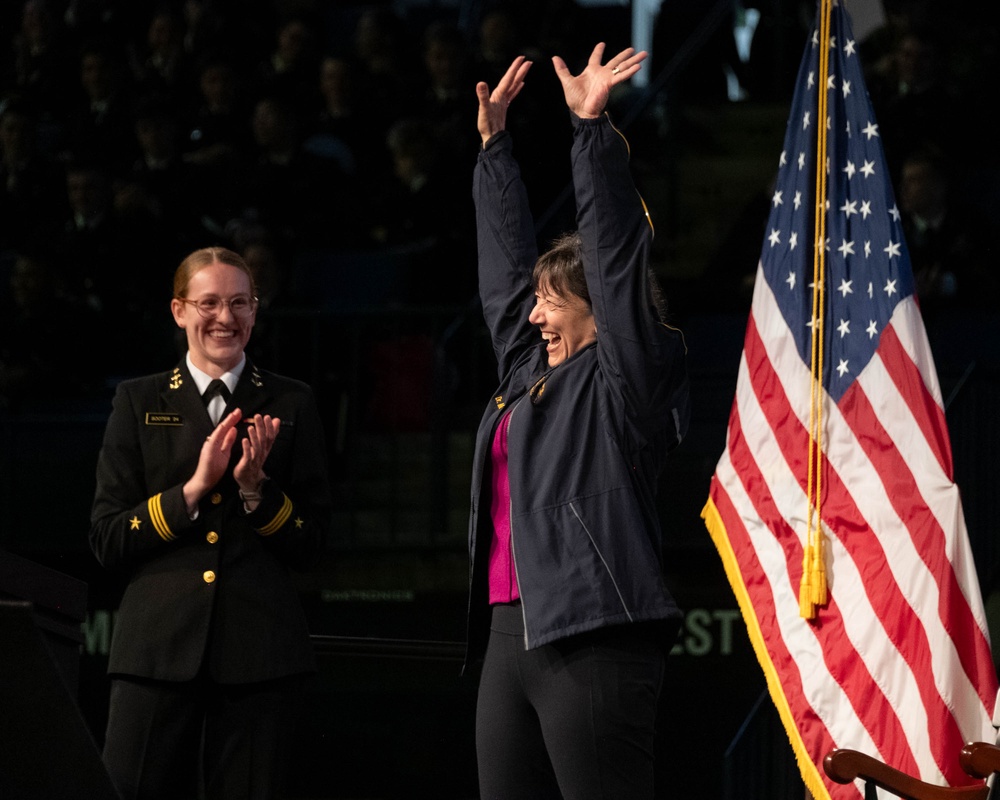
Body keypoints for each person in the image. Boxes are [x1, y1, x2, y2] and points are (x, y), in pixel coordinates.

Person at [465, 46, 691, 799]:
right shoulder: (528, 375)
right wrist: (495, 150)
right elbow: (502, 284)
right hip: (506, 636)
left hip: (594, 632)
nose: (533, 317)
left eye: (553, 303)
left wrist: (590, 132)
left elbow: (620, 259)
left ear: (600, 315)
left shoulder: (628, 378)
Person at [89, 246, 332, 800]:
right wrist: (192, 490)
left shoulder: (292, 402)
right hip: (154, 652)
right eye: (209, 303)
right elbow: (106, 538)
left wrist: (256, 493)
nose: (226, 317)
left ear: (256, 311)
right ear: (179, 311)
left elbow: (314, 544)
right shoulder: (137, 400)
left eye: (240, 303)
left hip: (259, 657)